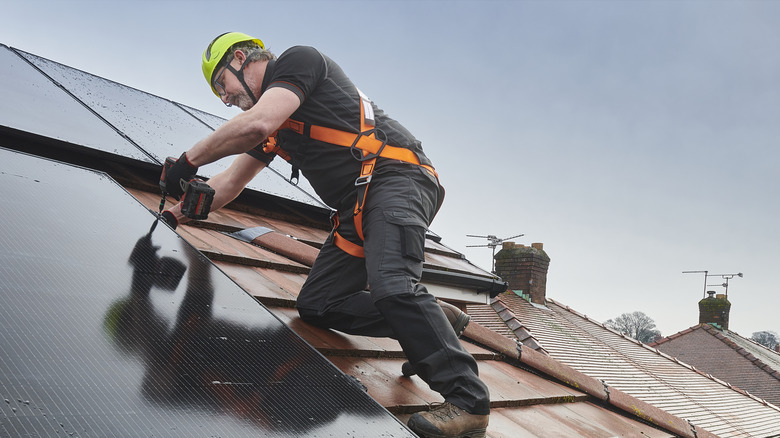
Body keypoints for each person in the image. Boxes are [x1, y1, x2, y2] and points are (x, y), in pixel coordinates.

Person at [161, 32, 490, 437]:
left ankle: (469, 402)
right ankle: (436, 319)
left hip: (397, 179)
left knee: (392, 284)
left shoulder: (299, 62)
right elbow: (229, 183)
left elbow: (255, 123)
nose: (224, 99)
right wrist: (176, 216)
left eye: (221, 86)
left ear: (241, 59)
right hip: (357, 211)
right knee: (319, 304)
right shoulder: (274, 125)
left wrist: (190, 159)